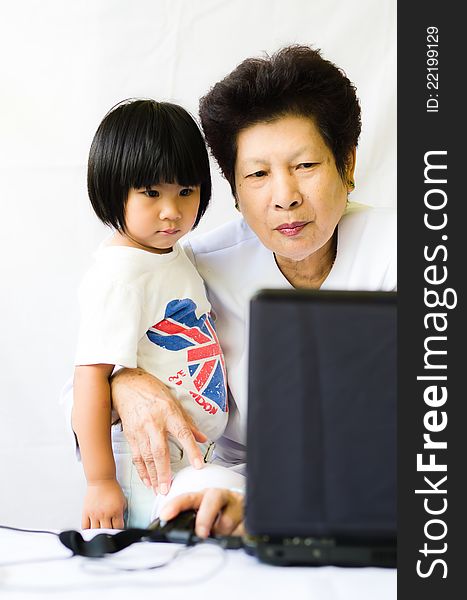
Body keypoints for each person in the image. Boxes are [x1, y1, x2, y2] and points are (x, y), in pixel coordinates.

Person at [63, 44, 396, 536]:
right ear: (235, 191)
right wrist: (123, 381)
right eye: (258, 174)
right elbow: (79, 382)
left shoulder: (412, 249)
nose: (285, 197)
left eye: (305, 166)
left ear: (346, 164)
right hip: (238, 492)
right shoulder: (195, 268)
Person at [72, 99, 234, 529]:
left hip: (189, 455)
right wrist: (100, 480)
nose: (172, 211)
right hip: (146, 459)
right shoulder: (120, 276)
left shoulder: (169, 253)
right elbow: (89, 378)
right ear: (112, 189)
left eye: (186, 191)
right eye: (151, 193)